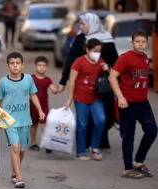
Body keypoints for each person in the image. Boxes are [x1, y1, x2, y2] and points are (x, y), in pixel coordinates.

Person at [58, 12, 118, 150]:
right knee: (88, 115)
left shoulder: (107, 39)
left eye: (83, 24)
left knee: (107, 114)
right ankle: (87, 143)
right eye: (80, 24)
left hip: (104, 84)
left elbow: (116, 61)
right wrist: (63, 81)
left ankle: (101, 140)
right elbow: (71, 61)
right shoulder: (80, 39)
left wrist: (119, 81)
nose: (81, 26)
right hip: (84, 83)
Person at [109, 30, 157, 179]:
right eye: (138, 42)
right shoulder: (125, 58)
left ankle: (138, 162)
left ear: (147, 44)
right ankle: (127, 168)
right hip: (127, 103)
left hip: (143, 103)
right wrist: (120, 97)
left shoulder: (145, 58)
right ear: (132, 43)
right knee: (128, 136)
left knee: (152, 131)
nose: (141, 44)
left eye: (143, 42)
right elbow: (112, 77)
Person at [0, 52, 45, 188]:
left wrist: (40, 110)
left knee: (22, 150)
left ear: (22, 65)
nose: (15, 66)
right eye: (12, 63)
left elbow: (33, 95)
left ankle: (14, 171)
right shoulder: (3, 82)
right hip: (9, 120)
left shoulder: (28, 79)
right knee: (15, 147)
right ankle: (19, 178)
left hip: (24, 120)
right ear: (7, 66)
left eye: (17, 63)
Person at [64, 38, 108, 161]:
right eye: (95, 51)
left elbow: (109, 78)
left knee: (101, 119)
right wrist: (69, 98)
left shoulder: (101, 62)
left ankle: (94, 146)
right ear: (88, 50)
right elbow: (72, 81)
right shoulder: (79, 62)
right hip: (81, 98)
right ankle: (81, 152)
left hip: (96, 97)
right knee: (82, 125)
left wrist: (107, 69)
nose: (97, 54)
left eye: (99, 51)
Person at [29, 56, 57, 152]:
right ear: (35, 67)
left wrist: (62, 85)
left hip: (44, 107)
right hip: (32, 107)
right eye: (39, 65)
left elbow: (54, 90)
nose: (41, 67)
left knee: (44, 125)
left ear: (47, 68)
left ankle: (47, 143)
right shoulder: (31, 78)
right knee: (33, 125)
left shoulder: (47, 80)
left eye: (44, 65)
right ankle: (33, 143)